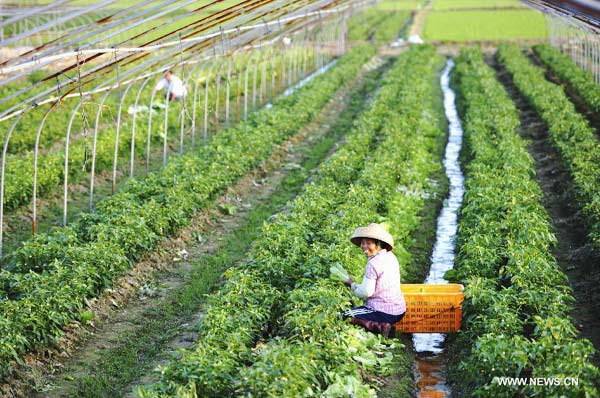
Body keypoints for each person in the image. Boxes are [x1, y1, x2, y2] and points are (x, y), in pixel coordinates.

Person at [343, 223, 406, 338]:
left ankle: (381, 326)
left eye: (368, 243)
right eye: (363, 243)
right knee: (356, 311)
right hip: (399, 310)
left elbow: (366, 293)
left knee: (346, 314)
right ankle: (388, 327)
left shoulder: (373, 263)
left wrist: (351, 284)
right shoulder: (390, 256)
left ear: (378, 245)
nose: (364, 246)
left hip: (382, 311)